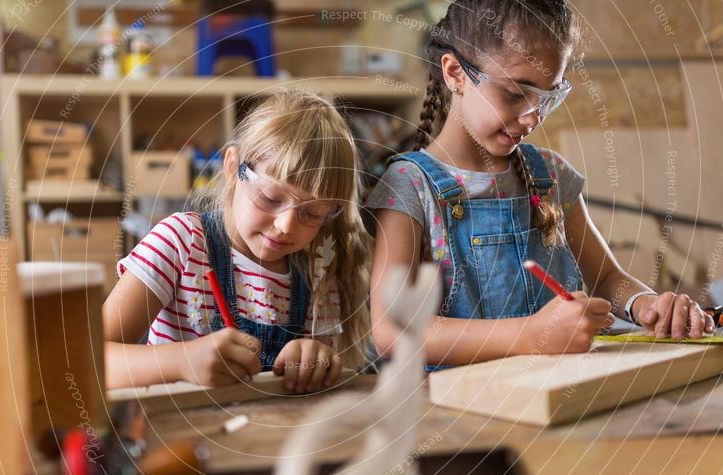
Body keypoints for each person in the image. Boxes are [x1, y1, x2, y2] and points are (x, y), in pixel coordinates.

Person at [368, 0, 715, 367]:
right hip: (457, 409)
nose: (532, 117)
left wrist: (646, 306)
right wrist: (532, 335)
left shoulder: (550, 175)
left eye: (549, 97)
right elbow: (391, 331)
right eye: (515, 94)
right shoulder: (408, 185)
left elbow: (608, 277)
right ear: (454, 73)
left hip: (554, 393)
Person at [104, 90, 371, 390]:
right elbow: (89, 360)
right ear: (233, 168)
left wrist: (316, 360)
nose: (285, 226)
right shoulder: (181, 243)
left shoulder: (318, 272)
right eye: (270, 198)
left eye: (312, 212)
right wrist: (181, 361)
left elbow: (320, 384)